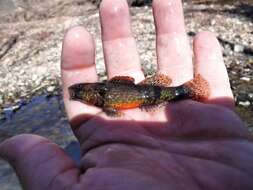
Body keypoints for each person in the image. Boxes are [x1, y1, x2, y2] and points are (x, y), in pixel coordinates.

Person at [1, 0, 253, 189]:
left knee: (175, 91)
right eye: (79, 93)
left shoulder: (103, 96)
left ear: (94, 95)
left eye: (80, 93)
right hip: (149, 95)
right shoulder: (101, 96)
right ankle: (186, 91)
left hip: (152, 93)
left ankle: (187, 91)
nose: (78, 95)